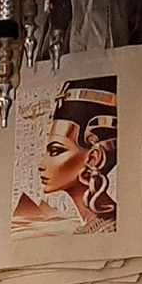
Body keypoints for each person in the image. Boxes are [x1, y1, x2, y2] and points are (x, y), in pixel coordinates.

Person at [36, 77, 118, 234]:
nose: (41, 165)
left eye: (55, 151)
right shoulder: (89, 228)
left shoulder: (110, 229)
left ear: (93, 158)